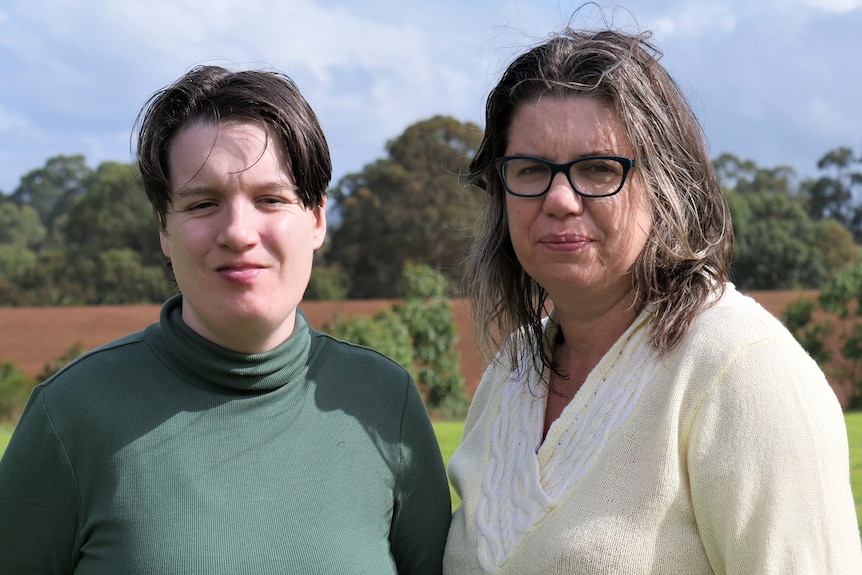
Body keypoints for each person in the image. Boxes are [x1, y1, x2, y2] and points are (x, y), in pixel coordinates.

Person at [442, 25, 862, 575]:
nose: (560, 199)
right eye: (530, 170)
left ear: (667, 184)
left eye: (598, 168)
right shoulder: (510, 375)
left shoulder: (744, 371)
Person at [0, 65, 451, 574]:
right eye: (203, 202)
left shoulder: (384, 403)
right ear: (164, 230)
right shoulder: (71, 414)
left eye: (270, 199)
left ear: (317, 218)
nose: (238, 232)